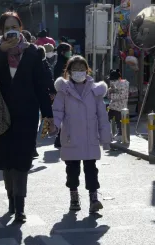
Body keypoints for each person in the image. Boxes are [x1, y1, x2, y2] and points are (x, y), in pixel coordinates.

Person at [0, 11, 55, 222]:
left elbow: (42, 87)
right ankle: (11, 200)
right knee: (6, 160)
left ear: (21, 28)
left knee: (22, 160)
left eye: (15, 26)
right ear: (1, 31)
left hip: (27, 113)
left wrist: (48, 116)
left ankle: (20, 206)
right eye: (6, 28)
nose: (11, 30)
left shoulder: (33, 52)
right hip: (1, 113)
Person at [52, 55, 111, 214]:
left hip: (90, 138)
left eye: (81, 69)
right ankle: (74, 197)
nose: (79, 72)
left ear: (87, 70)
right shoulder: (63, 91)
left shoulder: (95, 91)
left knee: (91, 169)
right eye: (75, 69)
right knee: (72, 171)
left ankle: (94, 199)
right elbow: (57, 111)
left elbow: (102, 116)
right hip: (70, 138)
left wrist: (105, 137)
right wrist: (54, 126)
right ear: (69, 72)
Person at [53, 42, 72, 149]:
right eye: (68, 51)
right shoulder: (61, 65)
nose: (70, 53)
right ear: (62, 52)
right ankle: (59, 139)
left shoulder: (65, 62)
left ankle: (60, 139)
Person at [107, 69, 129, 142]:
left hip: (120, 107)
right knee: (107, 120)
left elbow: (122, 96)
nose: (113, 81)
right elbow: (108, 93)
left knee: (119, 121)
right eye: (112, 80)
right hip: (112, 106)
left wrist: (111, 95)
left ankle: (120, 135)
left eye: (114, 79)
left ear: (119, 78)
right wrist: (110, 92)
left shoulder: (124, 84)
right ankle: (108, 134)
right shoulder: (114, 84)